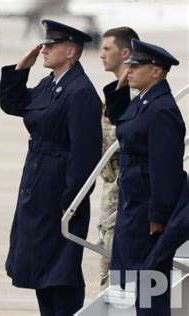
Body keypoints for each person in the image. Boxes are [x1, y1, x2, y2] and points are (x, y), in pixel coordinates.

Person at [0, 20, 102, 315]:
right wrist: (22, 68)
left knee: (61, 267)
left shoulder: (79, 91)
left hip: (58, 189)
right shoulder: (52, 83)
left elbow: (84, 153)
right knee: (40, 264)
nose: (44, 49)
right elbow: (14, 104)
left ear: (70, 51)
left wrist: (71, 201)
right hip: (38, 180)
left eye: (51, 45)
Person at [104, 39, 185, 315]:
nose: (130, 71)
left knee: (151, 281)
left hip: (147, 210)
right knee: (130, 279)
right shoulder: (145, 102)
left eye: (137, 66)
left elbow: (166, 168)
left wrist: (159, 215)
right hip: (133, 203)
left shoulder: (162, 110)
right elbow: (121, 121)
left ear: (156, 72)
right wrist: (120, 87)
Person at [98, 26, 139, 290]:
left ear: (125, 52)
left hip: (124, 194)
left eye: (106, 49)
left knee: (117, 280)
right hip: (111, 191)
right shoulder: (115, 92)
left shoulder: (134, 94)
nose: (101, 55)